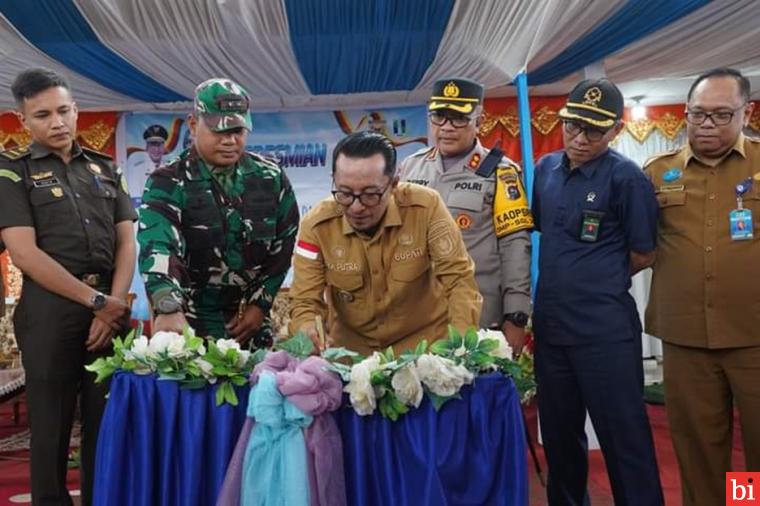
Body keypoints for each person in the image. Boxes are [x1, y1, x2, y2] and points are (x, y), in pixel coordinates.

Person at [0, 68, 135, 506]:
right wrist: (97, 302)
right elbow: (24, 254)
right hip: (49, 312)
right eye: (42, 115)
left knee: (107, 423)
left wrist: (110, 307)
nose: (56, 122)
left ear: (76, 110)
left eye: (63, 111)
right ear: (24, 122)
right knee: (51, 428)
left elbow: (127, 240)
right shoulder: (12, 174)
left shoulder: (106, 167)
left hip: (108, 312)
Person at [532, 78, 664, 505]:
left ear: (615, 132)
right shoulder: (545, 171)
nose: (580, 138)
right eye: (573, 126)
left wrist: (597, 278)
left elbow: (643, 252)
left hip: (605, 333)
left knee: (624, 440)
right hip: (552, 332)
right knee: (559, 439)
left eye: (594, 130)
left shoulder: (627, 179)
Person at [643, 68, 759, 506]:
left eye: (720, 115)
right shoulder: (657, 173)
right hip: (686, 337)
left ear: (745, 112)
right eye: (697, 115)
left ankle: (746, 502)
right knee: (698, 453)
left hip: (753, 337)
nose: (706, 125)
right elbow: (636, 244)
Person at [288, 131, 482, 355]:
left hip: (424, 351)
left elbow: (459, 281)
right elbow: (304, 299)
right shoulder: (316, 226)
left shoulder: (426, 208)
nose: (356, 207)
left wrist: (459, 349)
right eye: (345, 193)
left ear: (393, 185)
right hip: (352, 358)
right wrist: (306, 328)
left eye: (370, 195)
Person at [138, 78, 298, 349]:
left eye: (237, 130)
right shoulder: (167, 182)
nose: (230, 140)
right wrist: (167, 306)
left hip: (248, 325)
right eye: (219, 131)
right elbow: (159, 246)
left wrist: (260, 305)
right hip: (187, 324)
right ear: (192, 124)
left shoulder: (270, 178)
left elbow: (283, 247)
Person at [400, 77, 532, 354]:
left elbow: (515, 247)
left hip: (479, 316)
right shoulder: (410, 169)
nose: (446, 127)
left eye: (459, 118)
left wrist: (516, 316)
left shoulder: (500, 172)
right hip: (419, 317)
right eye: (439, 117)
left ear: (479, 121)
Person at [126, 123, 169, 200]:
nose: (156, 150)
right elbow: (135, 198)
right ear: (147, 147)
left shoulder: (171, 168)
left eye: (159, 145)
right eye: (153, 145)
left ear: (164, 148)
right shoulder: (137, 171)